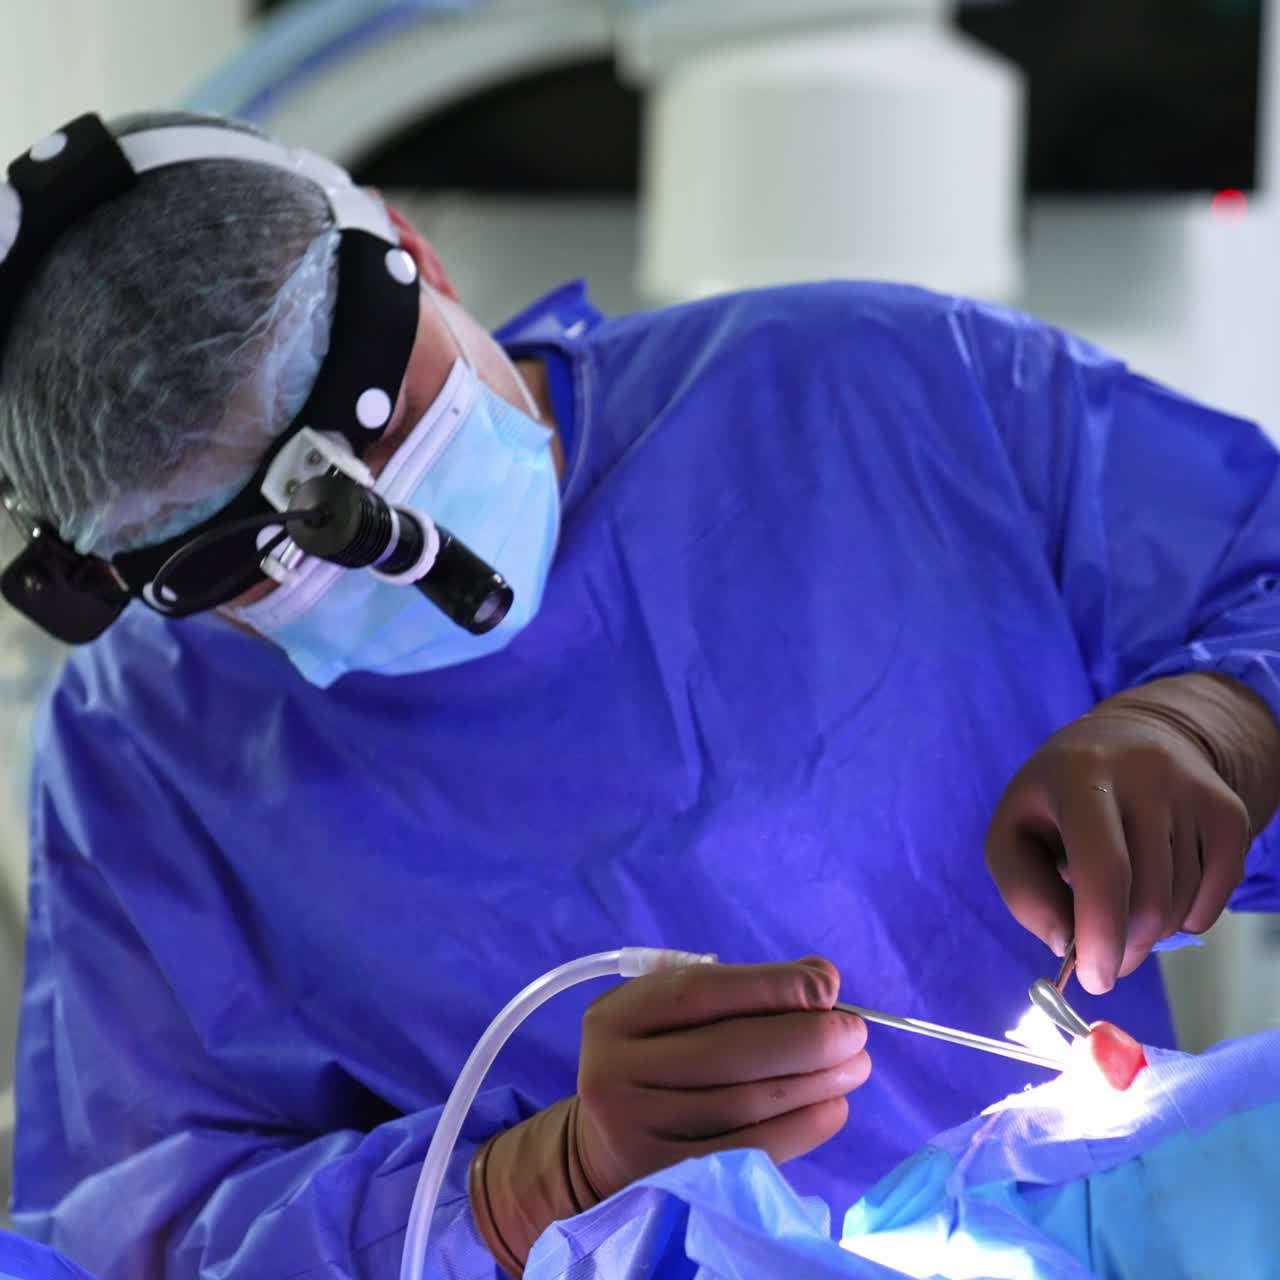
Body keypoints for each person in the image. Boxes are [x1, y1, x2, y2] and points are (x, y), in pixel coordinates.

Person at [0, 109, 1278, 1280]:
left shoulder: (878, 391)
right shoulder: (145, 752)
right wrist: (524, 1189)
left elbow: (1253, 569)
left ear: (412, 252)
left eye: (384, 421)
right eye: (262, 558)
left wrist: (1220, 723)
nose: (391, 545)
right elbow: (138, 1234)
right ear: (134, 576)